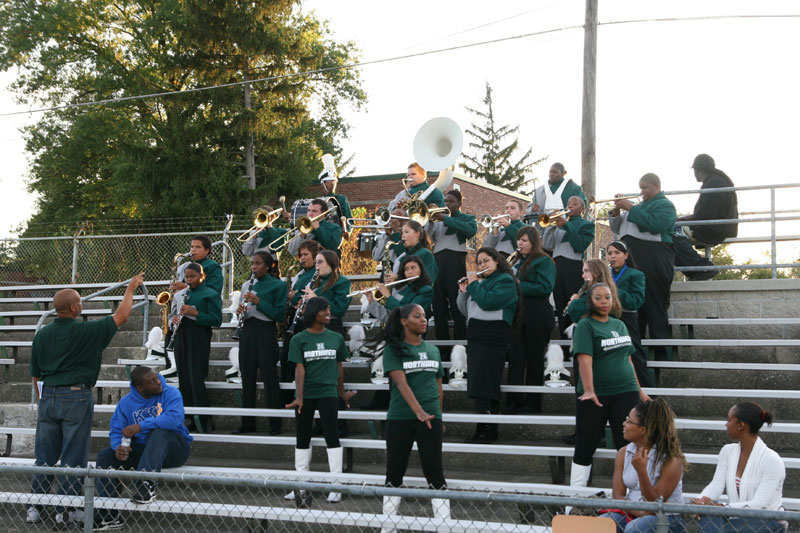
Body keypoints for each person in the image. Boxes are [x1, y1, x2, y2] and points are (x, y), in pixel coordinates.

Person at [27, 273, 144, 527]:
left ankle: (34, 507)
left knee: (44, 455)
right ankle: (65, 510)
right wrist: (130, 287)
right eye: (79, 302)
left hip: (48, 396)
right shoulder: (87, 330)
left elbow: (35, 375)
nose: (82, 305)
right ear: (73, 308)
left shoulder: (42, 334)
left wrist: (43, 400)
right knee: (73, 455)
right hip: (75, 395)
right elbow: (121, 316)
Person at [569, 283, 650, 492]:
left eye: (607, 297)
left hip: (626, 391)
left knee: (627, 445)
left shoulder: (620, 325)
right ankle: (575, 498)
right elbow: (584, 361)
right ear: (590, 300)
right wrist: (589, 389)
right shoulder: (585, 325)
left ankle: (628, 496)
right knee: (586, 444)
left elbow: (628, 360)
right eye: (598, 298)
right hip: (596, 395)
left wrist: (639, 391)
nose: (604, 302)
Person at [93, 367, 192, 529]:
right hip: (144, 451)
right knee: (105, 456)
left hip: (175, 449)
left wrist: (140, 426)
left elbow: (173, 420)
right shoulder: (126, 403)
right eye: (151, 381)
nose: (158, 382)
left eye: (157, 377)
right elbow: (117, 430)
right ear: (140, 387)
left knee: (159, 432)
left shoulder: (171, 393)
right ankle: (109, 515)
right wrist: (119, 446)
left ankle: (146, 485)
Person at [381, 304, 449, 527]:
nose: (423, 320)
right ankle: (388, 526)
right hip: (401, 418)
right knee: (394, 473)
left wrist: (438, 416)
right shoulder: (393, 349)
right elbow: (400, 382)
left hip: (430, 419)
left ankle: (444, 525)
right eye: (417, 316)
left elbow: (438, 386)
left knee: (435, 473)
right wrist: (418, 411)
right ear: (403, 321)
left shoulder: (433, 350)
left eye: (425, 316)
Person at [286, 297, 356, 506]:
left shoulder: (336, 337)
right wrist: (299, 396)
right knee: (302, 436)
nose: (328, 313)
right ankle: (301, 484)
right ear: (314, 312)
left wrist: (342, 393)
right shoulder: (298, 339)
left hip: (328, 393)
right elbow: (299, 368)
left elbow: (339, 368)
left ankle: (336, 485)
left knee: (332, 435)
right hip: (306, 394)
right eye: (325, 310)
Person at [609, 174, 676, 361]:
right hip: (635, 261)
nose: (642, 192)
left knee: (655, 305)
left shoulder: (665, 205)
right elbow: (617, 228)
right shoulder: (636, 208)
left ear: (656, 186)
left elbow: (657, 225)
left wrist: (630, 207)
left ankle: (661, 355)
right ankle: (635, 353)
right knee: (635, 308)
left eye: (645, 188)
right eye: (640, 188)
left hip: (655, 260)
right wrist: (615, 213)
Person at [457, 247, 521, 443]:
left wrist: (474, 286)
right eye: (479, 262)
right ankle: (483, 428)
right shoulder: (481, 282)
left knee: (487, 384)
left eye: (486, 261)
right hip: (477, 334)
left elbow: (489, 302)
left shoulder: (505, 280)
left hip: (493, 335)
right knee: (479, 383)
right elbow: (466, 310)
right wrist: (463, 292)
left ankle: (488, 430)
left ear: (497, 261)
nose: (482, 265)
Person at [692, 402, 786, 533]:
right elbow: (717, 484)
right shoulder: (727, 451)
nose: (726, 424)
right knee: (710, 515)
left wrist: (722, 507)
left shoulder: (772, 460)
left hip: (769, 521)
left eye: (729, 420)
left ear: (741, 425)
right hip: (737, 518)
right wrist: (702, 501)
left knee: (715, 520)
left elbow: (759, 504)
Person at [600, 399, 687, 533]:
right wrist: (638, 513)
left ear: (643, 430)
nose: (624, 424)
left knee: (634, 528)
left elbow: (656, 503)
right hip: (633, 513)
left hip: (667, 518)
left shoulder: (671, 461)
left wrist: (641, 472)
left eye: (629, 421)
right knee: (604, 523)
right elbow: (618, 494)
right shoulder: (623, 453)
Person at [233, 251, 287, 435]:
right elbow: (245, 312)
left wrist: (259, 301)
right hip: (247, 332)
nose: (254, 267)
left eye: (258, 263)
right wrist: (241, 311)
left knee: (270, 379)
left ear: (268, 265)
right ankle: (247, 423)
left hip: (265, 333)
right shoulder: (247, 285)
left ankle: (275, 424)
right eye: (252, 264)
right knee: (247, 379)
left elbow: (280, 314)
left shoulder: (278, 285)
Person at [507, 226, 555, 414]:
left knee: (535, 360)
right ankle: (513, 400)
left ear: (534, 242)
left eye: (524, 240)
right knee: (516, 359)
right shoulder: (517, 262)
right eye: (519, 240)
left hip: (537, 314)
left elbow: (544, 287)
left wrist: (518, 284)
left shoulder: (544, 261)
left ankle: (533, 402)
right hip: (519, 314)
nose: (520, 243)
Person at [171, 263, 222, 433]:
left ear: (202, 276)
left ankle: (205, 421)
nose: (189, 280)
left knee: (196, 379)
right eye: (187, 277)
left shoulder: (210, 294)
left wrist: (195, 313)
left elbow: (216, 320)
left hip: (199, 336)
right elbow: (172, 316)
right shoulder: (181, 295)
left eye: (193, 276)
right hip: (181, 336)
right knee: (184, 379)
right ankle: (190, 419)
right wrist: (174, 321)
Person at [674, 154, 739, 281]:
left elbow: (703, 215)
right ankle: (696, 268)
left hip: (714, 229)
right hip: (722, 226)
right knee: (674, 231)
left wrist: (680, 220)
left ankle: (701, 268)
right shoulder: (717, 179)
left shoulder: (713, 182)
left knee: (672, 234)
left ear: (697, 170)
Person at [428, 190, 477, 356]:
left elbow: (471, 231)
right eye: (445, 202)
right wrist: (428, 221)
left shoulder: (466, 218)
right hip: (438, 262)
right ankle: (442, 351)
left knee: (457, 306)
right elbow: (429, 238)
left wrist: (446, 218)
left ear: (459, 203)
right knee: (439, 307)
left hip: (455, 262)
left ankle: (460, 348)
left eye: (451, 201)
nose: (447, 204)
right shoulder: (439, 220)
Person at [280, 240, 320, 404]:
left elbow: (305, 293)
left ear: (315, 256)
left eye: (305, 255)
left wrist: (294, 296)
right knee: (286, 360)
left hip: (306, 320)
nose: (302, 259)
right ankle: (286, 398)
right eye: (300, 255)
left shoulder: (316, 273)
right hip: (293, 318)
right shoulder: (300, 274)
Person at [552, 196, 595, 344]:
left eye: (574, 203)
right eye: (568, 203)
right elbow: (546, 245)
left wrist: (566, 225)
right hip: (557, 266)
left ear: (582, 209)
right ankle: (564, 346)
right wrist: (551, 226)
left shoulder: (586, 225)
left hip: (573, 266)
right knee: (560, 305)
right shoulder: (560, 224)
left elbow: (579, 245)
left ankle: (576, 343)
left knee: (572, 306)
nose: (569, 205)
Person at [606, 241, 649, 387]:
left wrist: (613, 289)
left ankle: (646, 395)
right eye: (610, 253)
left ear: (626, 255)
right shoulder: (605, 275)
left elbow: (636, 301)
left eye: (617, 253)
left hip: (627, 319)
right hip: (607, 320)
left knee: (635, 357)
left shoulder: (636, 275)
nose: (613, 256)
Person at [528, 163, 588, 254]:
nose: (552, 174)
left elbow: (583, 205)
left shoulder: (574, 188)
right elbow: (530, 206)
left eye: (555, 172)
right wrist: (533, 208)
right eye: (550, 172)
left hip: (564, 228)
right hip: (543, 229)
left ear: (564, 173)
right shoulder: (540, 190)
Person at [366, 255, 434, 323]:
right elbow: (390, 317)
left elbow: (408, 313)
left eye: (413, 268)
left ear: (421, 270)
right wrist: (371, 301)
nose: (409, 272)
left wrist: (388, 296)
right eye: (406, 269)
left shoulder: (427, 291)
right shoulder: (404, 290)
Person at [301, 250, 351, 335]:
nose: (316, 265)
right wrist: (305, 308)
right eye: (316, 262)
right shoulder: (316, 283)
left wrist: (315, 298)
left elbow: (339, 310)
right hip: (312, 326)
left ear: (330, 263)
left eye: (320, 262)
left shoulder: (342, 282)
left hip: (331, 327)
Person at [566, 258, 620, 324]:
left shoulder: (596, 291)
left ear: (596, 272)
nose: (583, 276)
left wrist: (573, 303)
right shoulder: (610, 289)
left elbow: (578, 309)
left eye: (586, 271)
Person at [385, 220, 438, 284]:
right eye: (402, 233)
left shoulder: (425, 254)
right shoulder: (404, 255)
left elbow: (428, 280)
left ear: (417, 234)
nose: (402, 236)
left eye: (406, 232)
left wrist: (397, 278)